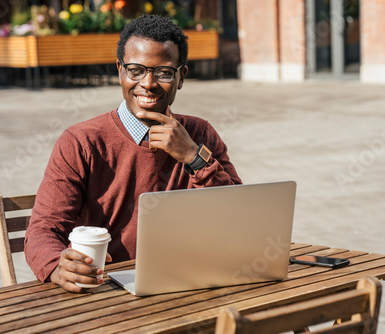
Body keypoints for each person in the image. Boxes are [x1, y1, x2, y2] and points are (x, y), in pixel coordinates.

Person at [24, 14, 242, 293]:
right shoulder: (81, 142)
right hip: (108, 290)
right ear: (120, 71)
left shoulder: (199, 134)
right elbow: (43, 230)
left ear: (182, 76)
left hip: (189, 284)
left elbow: (237, 219)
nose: (148, 83)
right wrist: (56, 265)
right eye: (136, 70)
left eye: (163, 72)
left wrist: (192, 157)